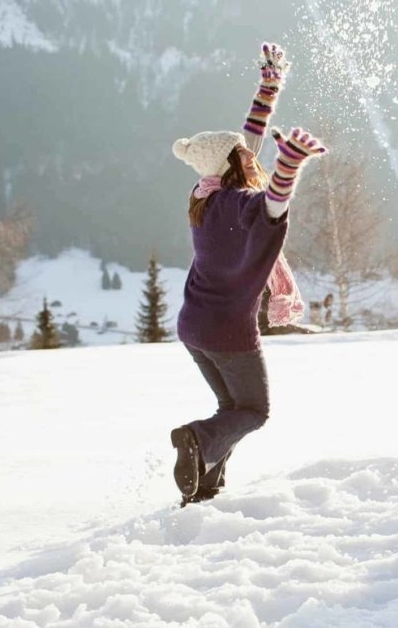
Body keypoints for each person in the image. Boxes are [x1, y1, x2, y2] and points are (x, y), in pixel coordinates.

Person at [168, 43, 326, 506]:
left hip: (192, 326)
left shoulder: (206, 195)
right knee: (254, 410)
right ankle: (196, 440)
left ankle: (207, 484)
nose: (248, 152)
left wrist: (269, 85)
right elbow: (274, 205)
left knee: (231, 409)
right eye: (243, 153)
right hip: (227, 332)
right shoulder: (241, 207)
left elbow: (248, 143)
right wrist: (291, 164)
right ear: (237, 164)